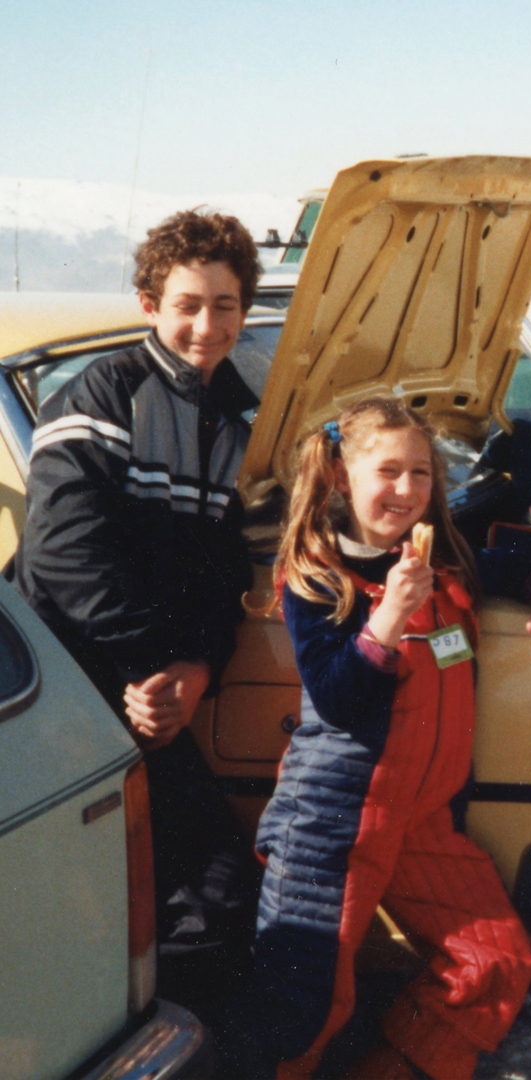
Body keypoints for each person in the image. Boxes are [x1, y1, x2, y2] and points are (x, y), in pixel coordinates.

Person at [242, 397, 531, 1080]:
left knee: (495, 964)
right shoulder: (317, 574)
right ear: (340, 477)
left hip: (424, 819)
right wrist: (387, 617)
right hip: (336, 818)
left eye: (421, 473)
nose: (408, 490)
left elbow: (515, 559)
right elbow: (337, 696)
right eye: (388, 471)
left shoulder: (443, 562)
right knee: (304, 1007)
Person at [10, 208, 263, 952]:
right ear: (151, 306)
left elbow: (224, 568)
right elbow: (63, 555)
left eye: (224, 306)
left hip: (146, 681)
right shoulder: (104, 395)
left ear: (243, 309)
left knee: (203, 884)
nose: (206, 326)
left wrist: (199, 665)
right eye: (187, 305)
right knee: (158, 893)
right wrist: (160, 662)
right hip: (58, 686)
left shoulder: (235, 419)